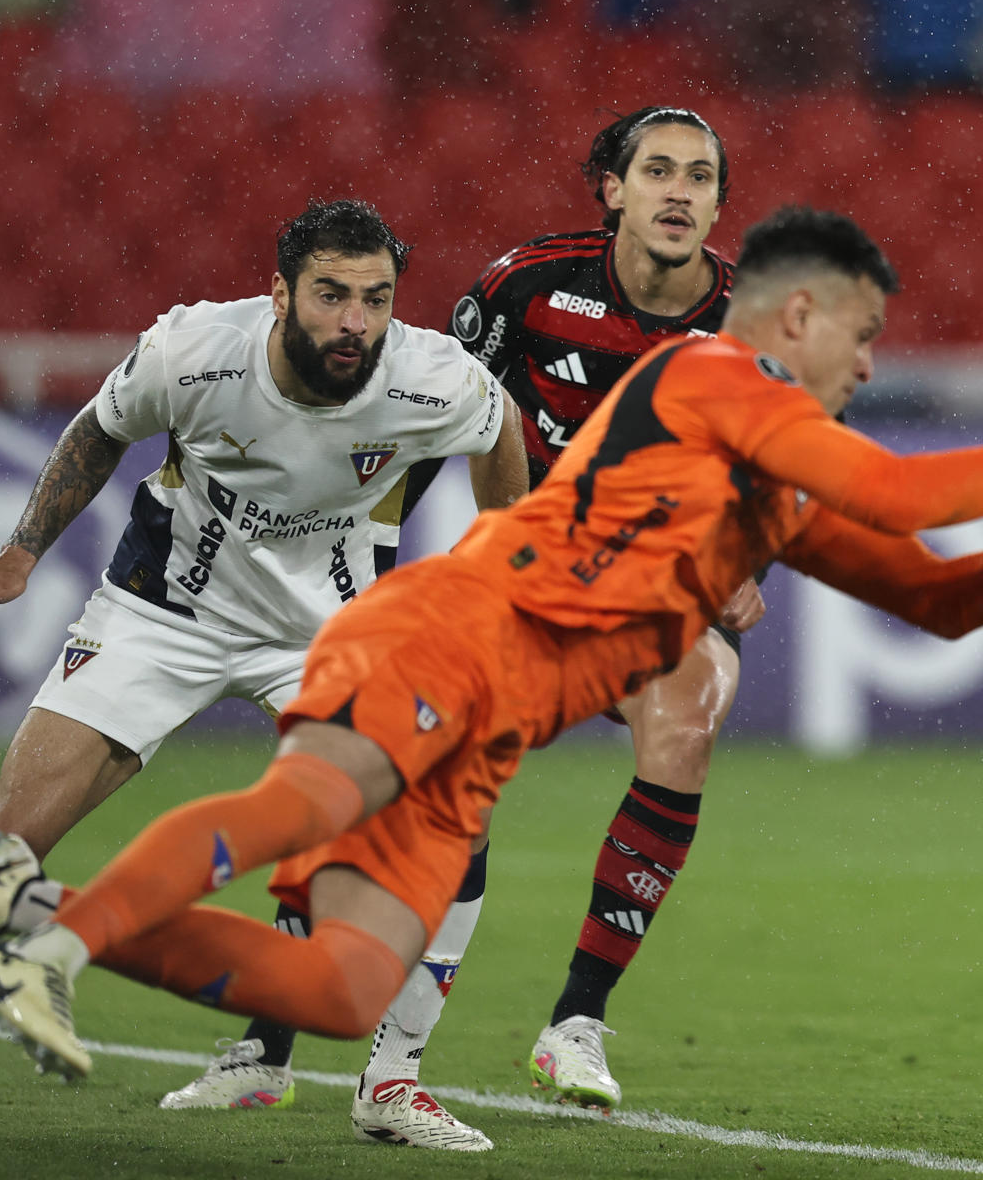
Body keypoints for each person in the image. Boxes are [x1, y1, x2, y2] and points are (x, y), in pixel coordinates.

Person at [0, 206, 983, 1118]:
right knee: (302, 807)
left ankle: (34, 920)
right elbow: (908, 494)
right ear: (802, 316)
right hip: (456, 632)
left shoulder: (773, 484)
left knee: (337, 987)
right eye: (865, 340)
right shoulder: (715, 380)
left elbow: (930, 593)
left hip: (496, 720)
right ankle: (35, 925)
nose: (869, 366)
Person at [0, 199, 528, 1143]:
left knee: (455, 811)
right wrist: (21, 552)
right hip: (162, 614)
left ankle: (392, 1084)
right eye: (332, 295)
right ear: (280, 293)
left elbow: (501, 436)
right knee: (8, 839)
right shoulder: (195, 351)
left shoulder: (430, 377)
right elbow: (98, 430)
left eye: (376, 299)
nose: (355, 322)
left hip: (331, 636)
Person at [169, 105, 755, 1118]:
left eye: (698, 176)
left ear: (717, 201)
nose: (678, 191)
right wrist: (374, 571)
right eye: (656, 170)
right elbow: (423, 432)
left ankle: (576, 1022)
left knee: (694, 703)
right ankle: (268, 1042)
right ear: (610, 188)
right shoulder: (524, 287)